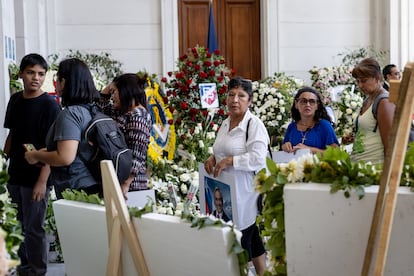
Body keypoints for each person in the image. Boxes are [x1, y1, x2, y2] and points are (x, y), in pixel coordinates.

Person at [3, 53, 61, 276]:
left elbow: (53, 147)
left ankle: (38, 271)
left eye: (40, 74)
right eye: (30, 73)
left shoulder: (50, 106)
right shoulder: (16, 99)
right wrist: (2, 164)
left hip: (36, 177)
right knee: (17, 226)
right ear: (21, 74)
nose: (35, 78)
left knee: (34, 228)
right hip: (14, 175)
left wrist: (42, 181)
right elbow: (12, 136)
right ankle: (24, 268)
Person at [204, 76, 268, 275]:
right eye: (231, 95)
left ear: (249, 100)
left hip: (245, 192)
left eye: (241, 96)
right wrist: (213, 157)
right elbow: (221, 148)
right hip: (225, 190)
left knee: (242, 242)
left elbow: (259, 158)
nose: (235, 100)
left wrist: (231, 160)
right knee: (250, 236)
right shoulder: (226, 122)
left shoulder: (253, 125)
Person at [24, 58, 102, 199]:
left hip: (77, 189)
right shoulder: (92, 109)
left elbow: (65, 157)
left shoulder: (70, 114)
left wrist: (35, 155)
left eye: (57, 78)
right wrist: (45, 151)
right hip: (93, 183)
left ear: (64, 82)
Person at [99, 73, 152, 199]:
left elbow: (136, 154)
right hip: (119, 180)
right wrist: (112, 84)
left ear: (125, 91)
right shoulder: (123, 112)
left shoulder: (138, 116)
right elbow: (100, 104)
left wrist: (126, 183)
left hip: (131, 187)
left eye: (114, 92)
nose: (112, 97)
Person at [350, 57, 395, 164]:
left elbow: (390, 144)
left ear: (377, 78)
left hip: (375, 168)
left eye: (364, 81)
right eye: (358, 81)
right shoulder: (368, 99)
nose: (360, 85)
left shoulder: (385, 102)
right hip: (360, 167)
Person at [281, 87, 339, 154]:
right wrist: (284, 147)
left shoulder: (324, 126)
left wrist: (310, 150)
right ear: (296, 104)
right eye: (303, 101)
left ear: (317, 106)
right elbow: (284, 147)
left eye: (312, 101)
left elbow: (335, 153)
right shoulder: (292, 127)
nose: (307, 105)